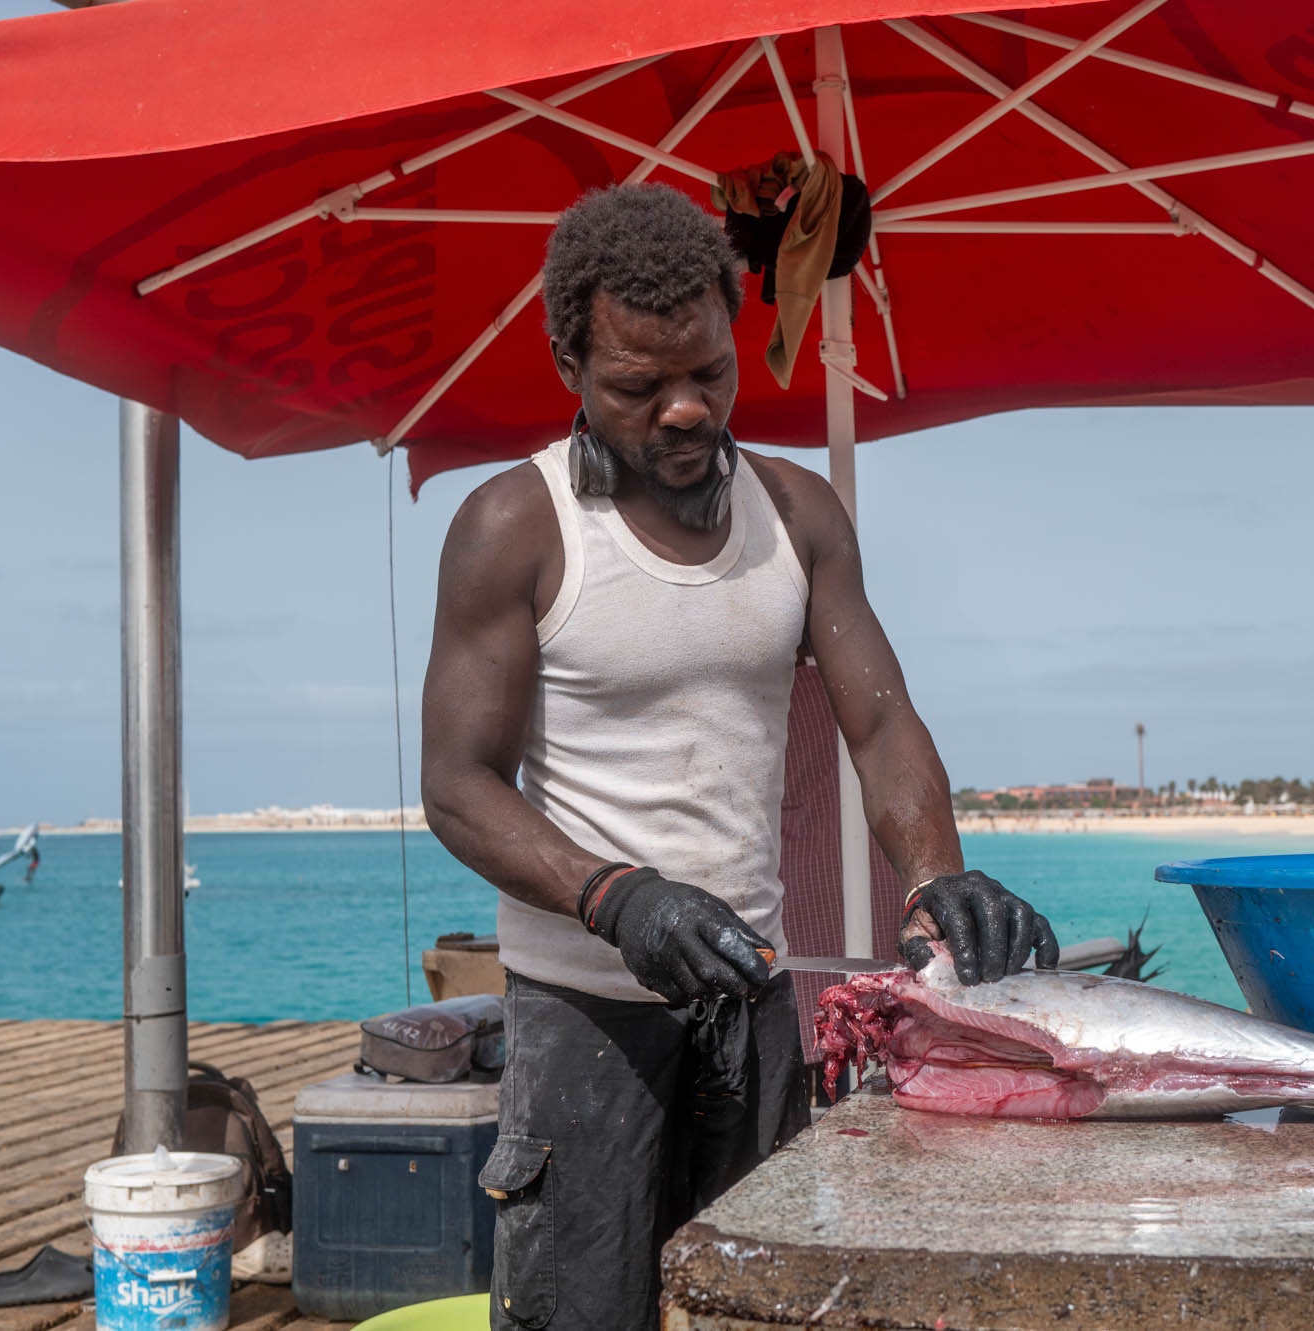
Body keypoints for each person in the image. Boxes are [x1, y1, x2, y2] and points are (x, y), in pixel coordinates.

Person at [419, 183, 1058, 1331]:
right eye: (636, 384)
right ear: (572, 361)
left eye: (708, 372)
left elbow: (881, 719)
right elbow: (457, 785)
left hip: (753, 999)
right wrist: (615, 896)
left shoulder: (798, 514)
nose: (682, 410)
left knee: (756, 1305)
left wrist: (934, 874)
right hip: (585, 1011)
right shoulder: (514, 526)